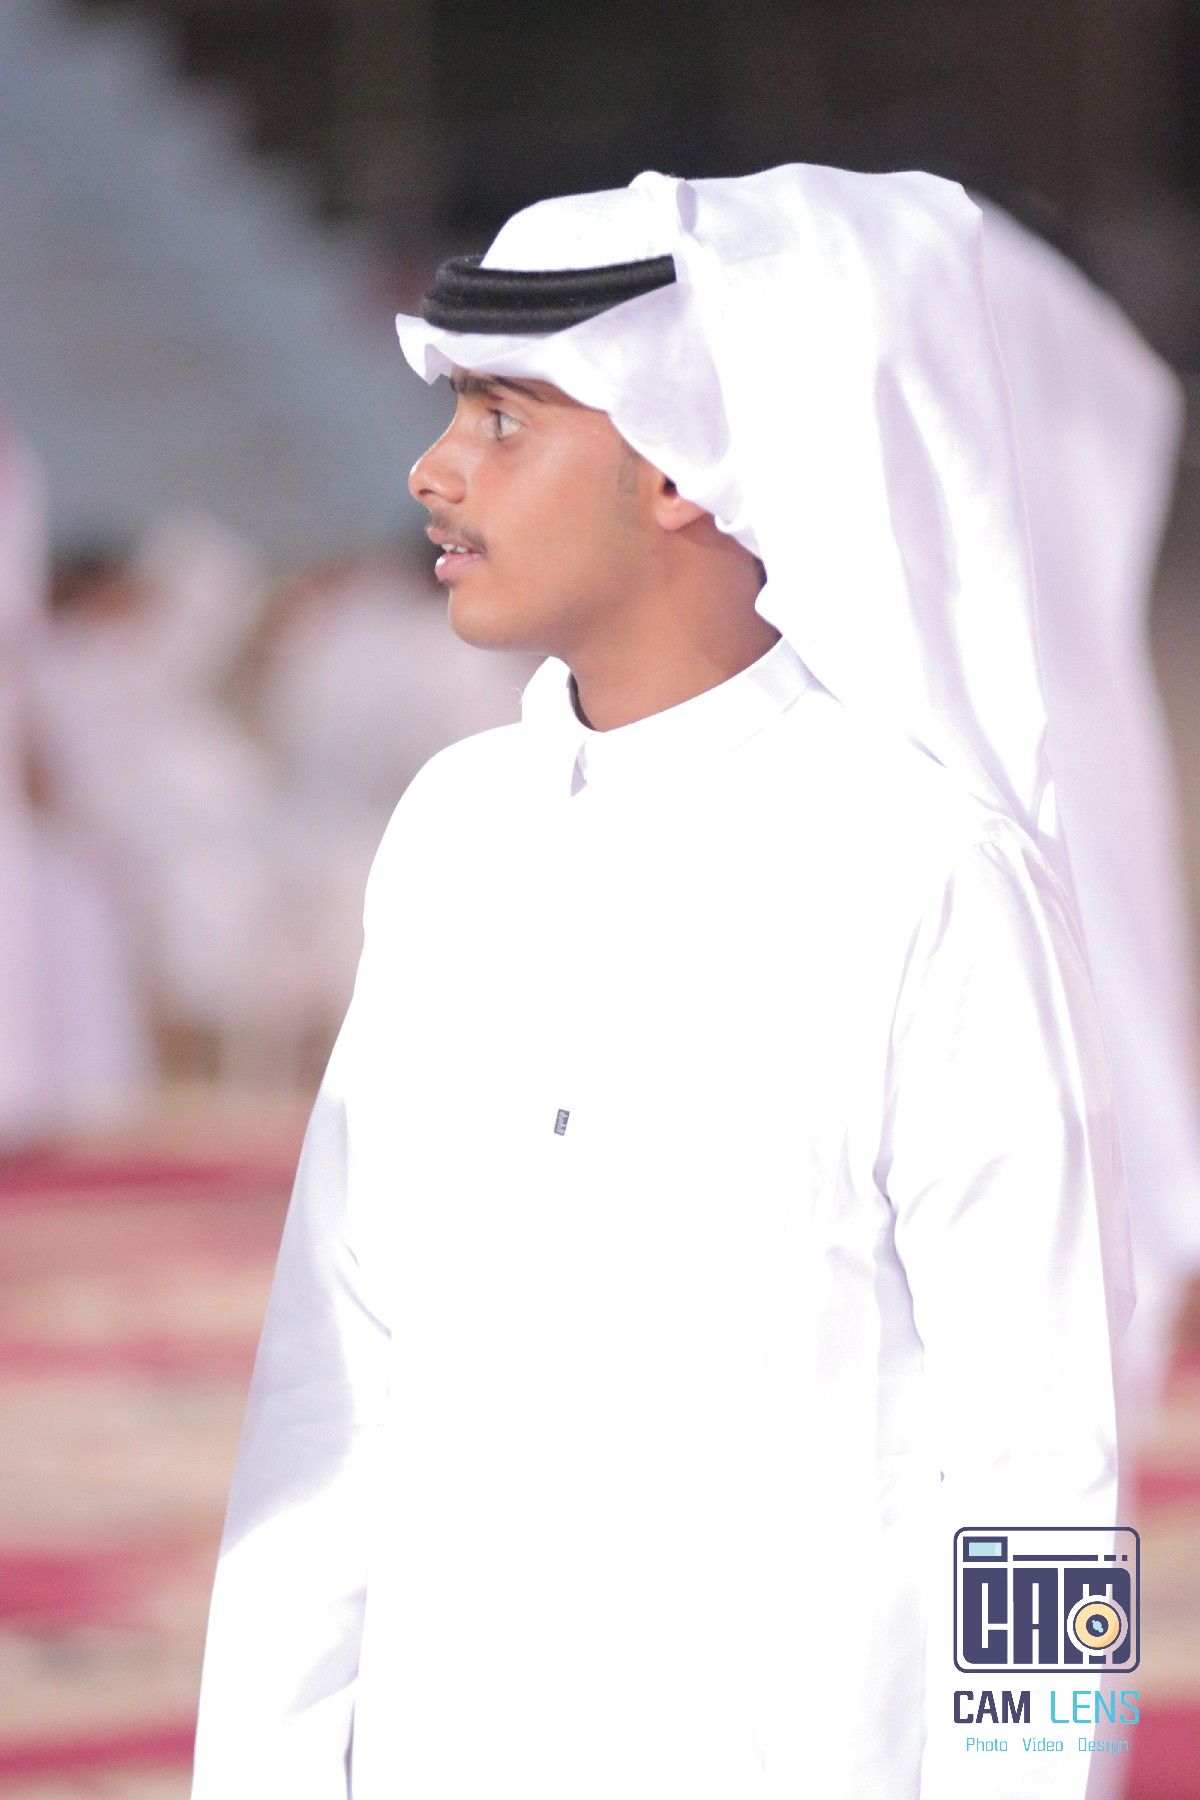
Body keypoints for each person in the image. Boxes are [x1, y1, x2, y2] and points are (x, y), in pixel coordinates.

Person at [192, 165, 1134, 1798]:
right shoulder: (456, 833)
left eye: (504, 420)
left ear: (687, 466)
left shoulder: (924, 874)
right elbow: (331, 1383)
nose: (432, 471)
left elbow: (1037, 1470)